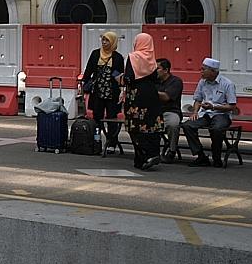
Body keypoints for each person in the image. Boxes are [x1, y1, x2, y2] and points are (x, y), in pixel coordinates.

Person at [183, 56, 238, 168]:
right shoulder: (202, 82)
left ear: (213, 71)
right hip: (205, 113)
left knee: (217, 129)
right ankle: (201, 156)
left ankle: (216, 157)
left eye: (204, 69)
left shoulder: (227, 84)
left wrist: (214, 107)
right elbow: (198, 99)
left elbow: (231, 106)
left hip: (221, 114)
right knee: (188, 125)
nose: (201, 72)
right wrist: (194, 112)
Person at [122, 34, 163, 170]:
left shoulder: (133, 57)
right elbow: (156, 78)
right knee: (151, 125)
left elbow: (128, 78)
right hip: (151, 95)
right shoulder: (152, 59)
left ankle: (143, 156)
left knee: (135, 125)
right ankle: (150, 155)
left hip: (136, 95)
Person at [79, 31, 125, 152]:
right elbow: (88, 70)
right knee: (97, 118)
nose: (104, 43)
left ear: (113, 42)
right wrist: (84, 84)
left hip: (112, 92)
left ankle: (111, 143)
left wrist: (122, 90)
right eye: (103, 40)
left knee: (112, 118)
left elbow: (120, 76)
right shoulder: (95, 54)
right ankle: (96, 141)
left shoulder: (118, 57)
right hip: (98, 91)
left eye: (107, 40)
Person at [155, 58, 186, 161]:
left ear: (166, 70)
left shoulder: (176, 81)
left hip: (170, 111)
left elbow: (166, 97)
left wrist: (151, 91)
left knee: (173, 125)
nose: (155, 70)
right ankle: (150, 150)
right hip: (155, 111)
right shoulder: (154, 81)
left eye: (158, 68)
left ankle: (172, 151)